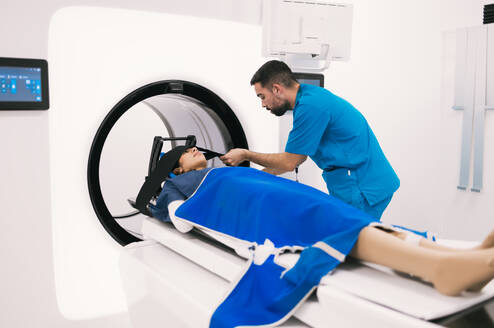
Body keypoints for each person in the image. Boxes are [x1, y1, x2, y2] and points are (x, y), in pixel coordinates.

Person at [150, 146, 494, 297]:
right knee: (331, 223)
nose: (194, 149)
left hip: (274, 191)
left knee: (344, 213)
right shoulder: (177, 187)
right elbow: (181, 220)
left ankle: (451, 255)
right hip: (263, 206)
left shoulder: (221, 170)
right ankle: (438, 269)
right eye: (184, 151)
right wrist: (175, 196)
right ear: (176, 170)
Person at [220, 60, 400, 219]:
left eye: (262, 96)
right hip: (358, 180)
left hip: (362, 186)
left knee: (350, 244)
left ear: (276, 89)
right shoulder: (309, 98)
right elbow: (298, 157)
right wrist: (256, 177)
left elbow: (290, 162)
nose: (263, 104)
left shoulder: (310, 107)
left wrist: (245, 154)